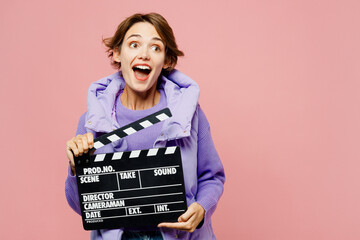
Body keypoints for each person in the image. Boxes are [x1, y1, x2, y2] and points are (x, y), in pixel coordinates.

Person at [65, 13, 225, 240]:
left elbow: (211, 177)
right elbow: (82, 208)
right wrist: (76, 169)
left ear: (167, 61)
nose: (144, 54)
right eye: (134, 44)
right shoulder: (93, 120)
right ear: (118, 54)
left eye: (156, 48)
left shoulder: (188, 115)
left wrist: (201, 208)